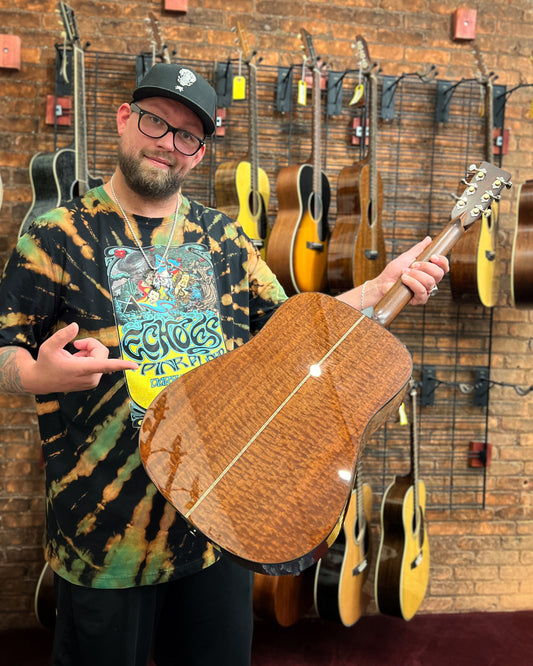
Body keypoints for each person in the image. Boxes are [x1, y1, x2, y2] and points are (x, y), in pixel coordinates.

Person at [0, 62, 448, 666]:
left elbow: (291, 329)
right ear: (125, 118)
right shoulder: (55, 236)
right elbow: (5, 348)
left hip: (219, 525)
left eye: (189, 136)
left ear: (202, 154)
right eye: (158, 122)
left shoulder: (225, 238)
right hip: (105, 536)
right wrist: (32, 375)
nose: (169, 144)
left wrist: (377, 288)